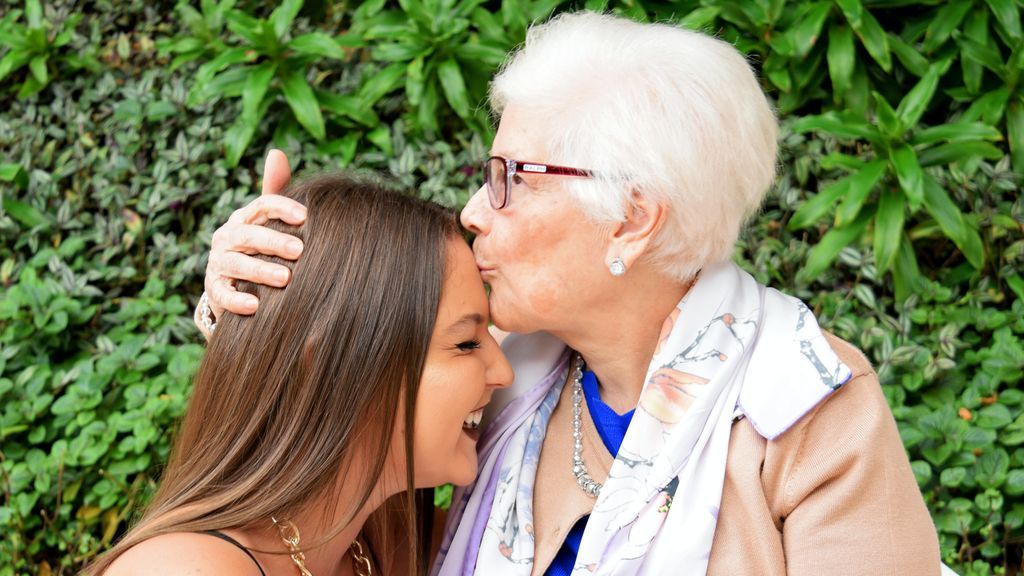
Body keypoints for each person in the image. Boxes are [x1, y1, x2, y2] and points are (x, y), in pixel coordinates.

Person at [198, 12, 943, 576]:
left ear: (631, 219)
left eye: (509, 180)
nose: (472, 212)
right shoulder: (488, 369)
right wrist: (261, 308)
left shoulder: (805, 408)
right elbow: (332, 450)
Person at [86, 174, 513, 576]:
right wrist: (254, 327)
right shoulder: (185, 569)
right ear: (334, 369)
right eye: (467, 343)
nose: (504, 372)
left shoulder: (398, 540)